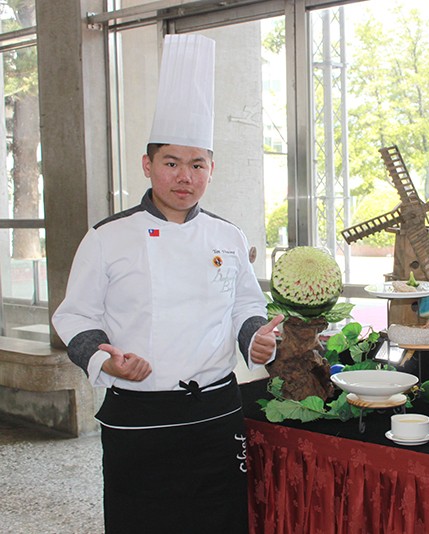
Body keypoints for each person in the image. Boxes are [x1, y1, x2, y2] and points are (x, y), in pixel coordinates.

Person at [51, 34, 281, 533]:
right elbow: (74, 316)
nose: (185, 176)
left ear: (211, 169)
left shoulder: (228, 235)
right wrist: (105, 358)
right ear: (147, 165)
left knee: (221, 522)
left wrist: (256, 339)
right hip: (139, 414)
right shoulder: (108, 237)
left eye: (197, 164)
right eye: (171, 163)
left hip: (217, 412)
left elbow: (245, 305)